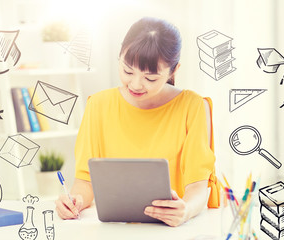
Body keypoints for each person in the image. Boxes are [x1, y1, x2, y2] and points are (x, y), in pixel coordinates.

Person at [55, 17, 221, 227]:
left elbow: (198, 186)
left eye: (150, 78)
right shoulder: (98, 105)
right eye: (127, 71)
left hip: (173, 231)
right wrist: (75, 201)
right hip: (119, 230)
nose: (135, 84)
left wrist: (185, 210)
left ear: (173, 70)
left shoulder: (193, 106)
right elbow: (85, 180)